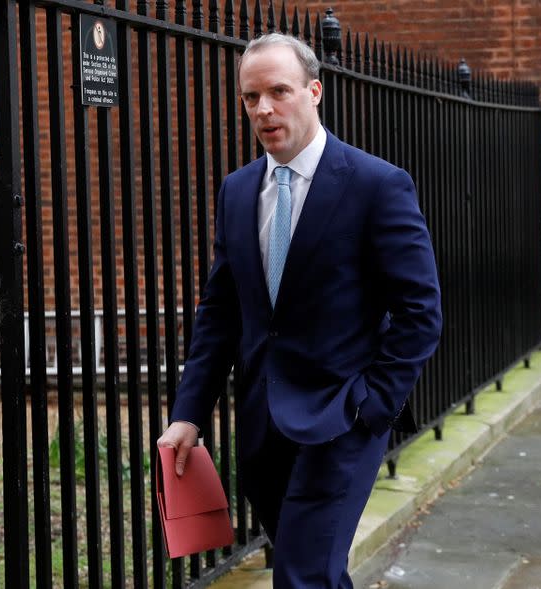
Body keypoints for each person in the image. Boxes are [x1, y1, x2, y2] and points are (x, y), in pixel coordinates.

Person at [157, 32, 442, 588]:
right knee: (313, 571)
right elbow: (221, 310)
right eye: (250, 96)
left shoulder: (376, 185)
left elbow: (420, 311)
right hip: (264, 421)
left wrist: (372, 405)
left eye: (279, 91)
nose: (263, 109)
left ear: (314, 91)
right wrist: (188, 412)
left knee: (301, 575)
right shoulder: (238, 191)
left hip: (342, 420)